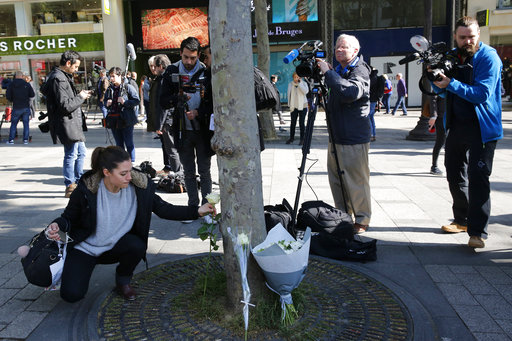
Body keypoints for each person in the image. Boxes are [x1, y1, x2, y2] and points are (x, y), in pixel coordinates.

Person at [45, 146, 215, 302]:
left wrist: (197, 211)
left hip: (116, 246)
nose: (129, 176)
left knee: (137, 245)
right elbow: (68, 218)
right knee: (71, 295)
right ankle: (73, 267)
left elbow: (164, 209)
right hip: (85, 249)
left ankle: (123, 281)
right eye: (123, 173)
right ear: (106, 172)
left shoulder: (139, 187)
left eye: (130, 170)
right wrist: (56, 227)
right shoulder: (86, 190)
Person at [432, 16, 502, 248]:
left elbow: (482, 93)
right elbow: (443, 93)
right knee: (454, 175)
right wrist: (437, 81)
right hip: (457, 125)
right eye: (462, 37)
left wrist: (449, 83)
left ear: (478, 35)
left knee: (478, 178)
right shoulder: (453, 55)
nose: (467, 41)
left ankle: (477, 232)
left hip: (482, 127)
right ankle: (461, 219)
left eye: (471, 36)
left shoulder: (489, 56)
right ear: (455, 36)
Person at [317, 34, 372, 234]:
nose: (339, 50)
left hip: (353, 136)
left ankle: (362, 219)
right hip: (336, 135)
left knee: (356, 181)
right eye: (337, 47)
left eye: (344, 47)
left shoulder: (360, 69)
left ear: (355, 51)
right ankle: (343, 215)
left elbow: (350, 93)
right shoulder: (339, 69)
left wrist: (328, 74)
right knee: (336, 180)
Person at [160, 37, 212, 212]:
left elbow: (213, 103)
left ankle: (207, 207)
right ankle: (192, 207)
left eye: (193, 58)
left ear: (198, 56)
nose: (189, 62)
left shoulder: (206, 71)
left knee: (204, 172)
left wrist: (199, 112)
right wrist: (178, 99)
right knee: (188, 172)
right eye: (186, 57)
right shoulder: (171, 71)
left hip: (203, 130)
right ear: (180, 54)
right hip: (182, 130)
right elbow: (163, 101)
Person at [40, 50, 92, 198]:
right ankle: (70, 185)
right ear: (68, 63)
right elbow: (65, 105)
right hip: (67, 123)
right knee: (71, 154)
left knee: (80, 152)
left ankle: (77, 181)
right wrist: (81, 97)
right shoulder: (59, 78)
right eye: (75, 67)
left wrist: (80, 96)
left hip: (72, 123)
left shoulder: (61, 76)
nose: (76, 70)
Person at [151, 54, 183, 176]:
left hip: (168, 120)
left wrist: (159, 125)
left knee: (172, 149)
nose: (154, 69)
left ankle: (178, 174)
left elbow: (163, 105)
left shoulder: (164, 80)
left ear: (160, 66)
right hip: (173, 118)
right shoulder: (172, 76)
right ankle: (179, 171)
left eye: (155, 66)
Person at [104, 66, 140, 162]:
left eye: (113, 76)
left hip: (126, 119)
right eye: (110, 76)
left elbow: (137, 100)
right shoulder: (109, 89)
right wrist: (107, 103)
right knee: (119, 143)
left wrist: (125, 102)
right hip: (114, 119)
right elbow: (105, 101)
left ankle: (131, 161)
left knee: (129, 142)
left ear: (120, 76)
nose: (111, 79)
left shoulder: (128, 87)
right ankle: (121, 161)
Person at [6, 71, 35, 145]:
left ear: (15, 76)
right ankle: (25, 140)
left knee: (13, 124)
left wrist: (13, 100)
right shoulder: (27, 84)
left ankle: (11, 140)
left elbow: (8, 96)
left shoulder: (11, 84)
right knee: (26, 124)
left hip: (16, 106)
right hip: (25, 106)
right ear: (22, 76)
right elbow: (32, 94)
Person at [286, 71, 309, 145]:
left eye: (298, 77)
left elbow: (305, 92)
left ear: (300, 78)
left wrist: (300, 84)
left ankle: (302, 139)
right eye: (295, 77)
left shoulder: (304, 84)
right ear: (293, 77)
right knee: (293, 123)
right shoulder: (290, 84)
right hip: (294, 106)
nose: (296, 79)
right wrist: (289, 105)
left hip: (303, 106)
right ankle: (291, 138)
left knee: (301, 123)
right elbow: (288, 95)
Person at [428, 95, 446, 175]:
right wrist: (433, 116)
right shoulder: (440, 83)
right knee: (440, 141)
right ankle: (434, 166)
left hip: (452, 116)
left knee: (449, 143)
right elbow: (433, 98)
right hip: (442, 117)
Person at [368, 68, 384, 142]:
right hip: (374, 100)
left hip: (370, 99)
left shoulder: (371, 78)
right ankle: (372, 134)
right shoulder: (377, 78)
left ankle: (371, 134)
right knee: (371, 117)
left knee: (368, 116)